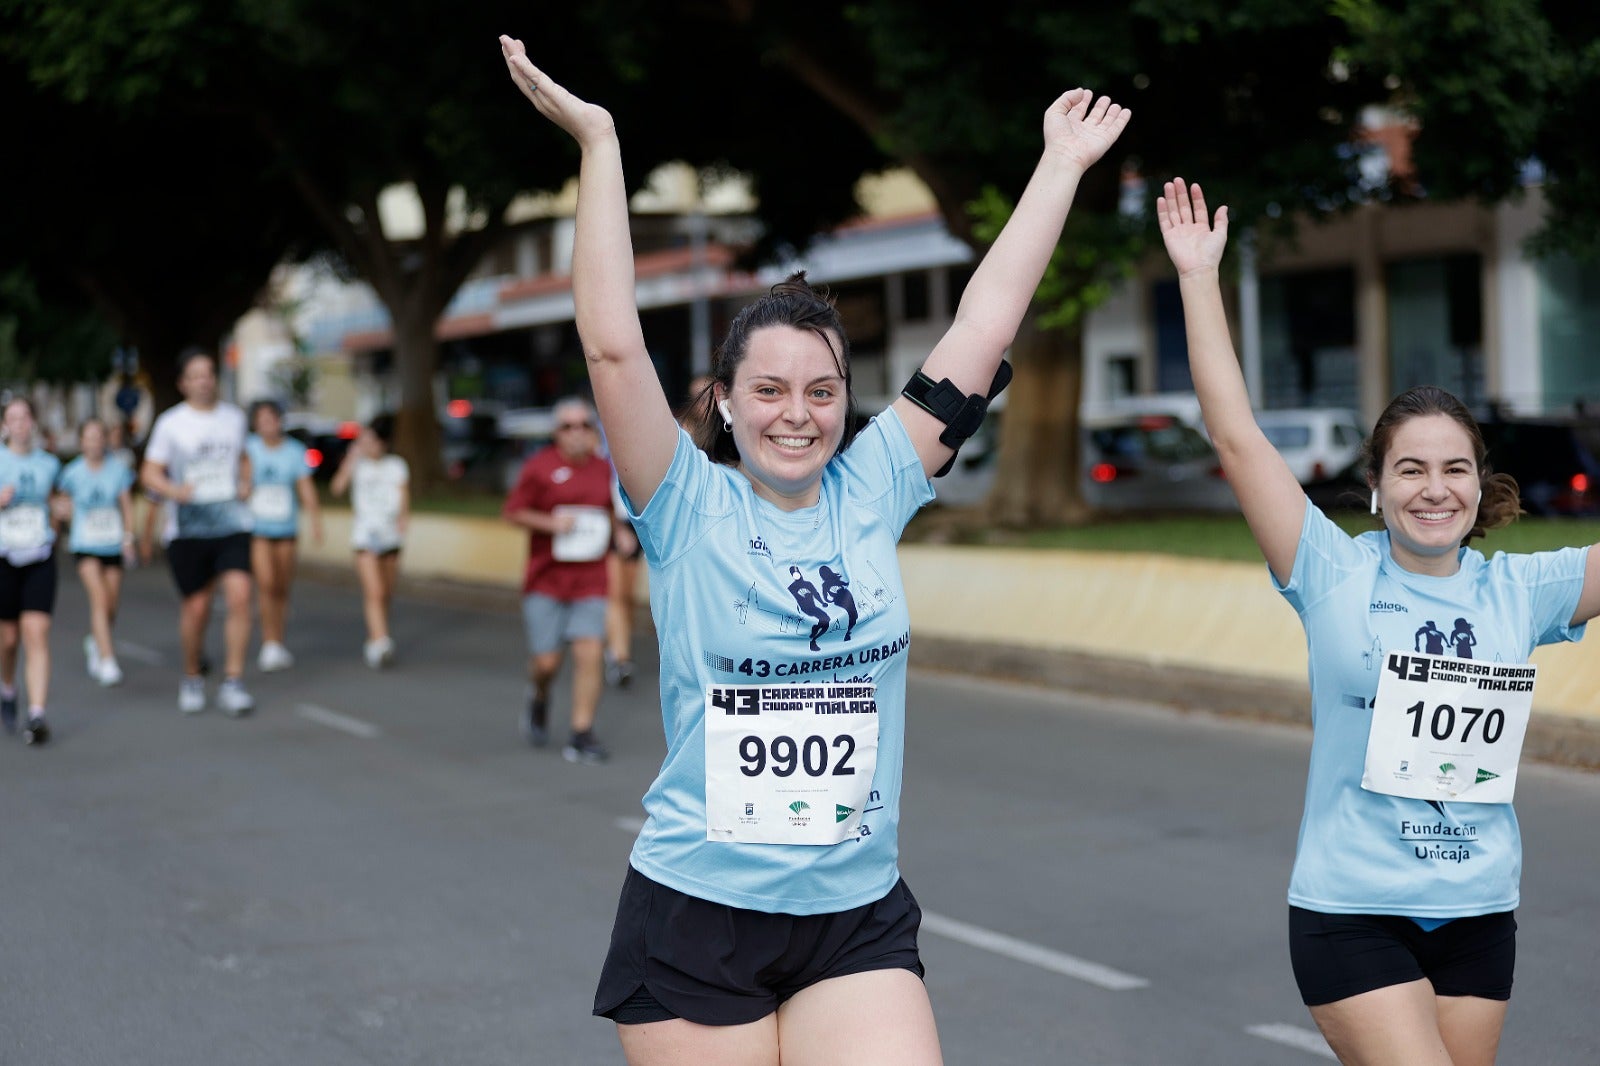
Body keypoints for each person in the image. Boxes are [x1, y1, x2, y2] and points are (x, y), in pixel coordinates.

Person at [500, 35, 1128, 1064]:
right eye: (771, 391)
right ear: (726, 404)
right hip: (700, 911)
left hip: (854, 916)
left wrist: (1057, 165)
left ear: (847, 400)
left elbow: (984, 322)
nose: (798, 415)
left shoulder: (876, 483)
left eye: (822, 390)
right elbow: (613, 345)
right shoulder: (681, 502)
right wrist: (600, 144)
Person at [1156, 177, 1600, 1066]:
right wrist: (1200, 278)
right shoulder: (1330, 570)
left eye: (1453, 470)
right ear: (1376, 487)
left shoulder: (1525, 590)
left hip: (1479, 913)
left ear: (1480, 487)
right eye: (1410, 470)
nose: (1433, 488)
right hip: (1351, 913)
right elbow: (1237, 435)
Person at [140, 347, 257, 717]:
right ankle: (192, 675)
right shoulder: (171, 424)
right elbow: (149, 472)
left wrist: (245, 483)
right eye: (196, 375)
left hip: (231, 523)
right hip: (189, 529)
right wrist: (175, 491)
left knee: (239, 595)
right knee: (197, 607)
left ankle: (234, 682)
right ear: (183, 383)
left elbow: (243, 458)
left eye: (209, 373)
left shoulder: (234, 418)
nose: (205, 381)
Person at [503, 396, 615, 762]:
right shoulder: (540, 468)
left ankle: (582, 732)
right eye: (568, 426)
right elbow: (514, 512)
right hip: (545, 580)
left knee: (590, 653)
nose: (577, 433)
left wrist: (622, 535)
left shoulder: (603, 469)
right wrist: (550, 524)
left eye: (584, 425)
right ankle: (538, 695)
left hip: (590, 579)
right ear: (556, 433)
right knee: (547, 663)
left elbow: (612, 513)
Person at [0, 398, 64, 745]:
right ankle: (7, 687)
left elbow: (59, 500)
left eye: (26, 416)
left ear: (34, 422)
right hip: (4, 557)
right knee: (8, 639)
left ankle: (37, 713)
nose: (20, 423)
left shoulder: (50, 464)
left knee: (36, 632)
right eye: (13, 417)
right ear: (4, 425)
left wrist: (61, 511)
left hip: (39, 555)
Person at [57, 417, 137, 686]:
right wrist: (61, 516)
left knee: (111, 604)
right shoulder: (72, 472)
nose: (94, 443)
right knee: (100, 598)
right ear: (81, 442)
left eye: (98, 437)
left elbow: (126, 504)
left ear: (105, 440)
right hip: (85, 544)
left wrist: (129, 537)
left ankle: (94, 641)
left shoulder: (118, 470)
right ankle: (107, 659)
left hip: (112, 542)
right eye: (89, 437)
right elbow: (61, 502)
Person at [246, 399, 322, 671]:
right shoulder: (249, 449)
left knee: (281, 586)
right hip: (258, 530)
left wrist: (315, 521)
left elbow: (305, 487)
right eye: (262, 419)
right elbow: (241, 483)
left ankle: (279, 639)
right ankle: (269, 642)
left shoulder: (294, 451)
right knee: (265, 583)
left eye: (272, 418)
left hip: (286, 528)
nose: (268, 424)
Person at [330, 415, 408, 668]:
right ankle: (381, 641)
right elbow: (337, 488)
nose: (369, 444)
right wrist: (352, 459)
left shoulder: (396, 465)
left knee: (385, 592)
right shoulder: (358, 465)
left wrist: (402, 525)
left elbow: (403, 502)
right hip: (365, 535)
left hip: (390, 536)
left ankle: (376, 636)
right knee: (373, 590)